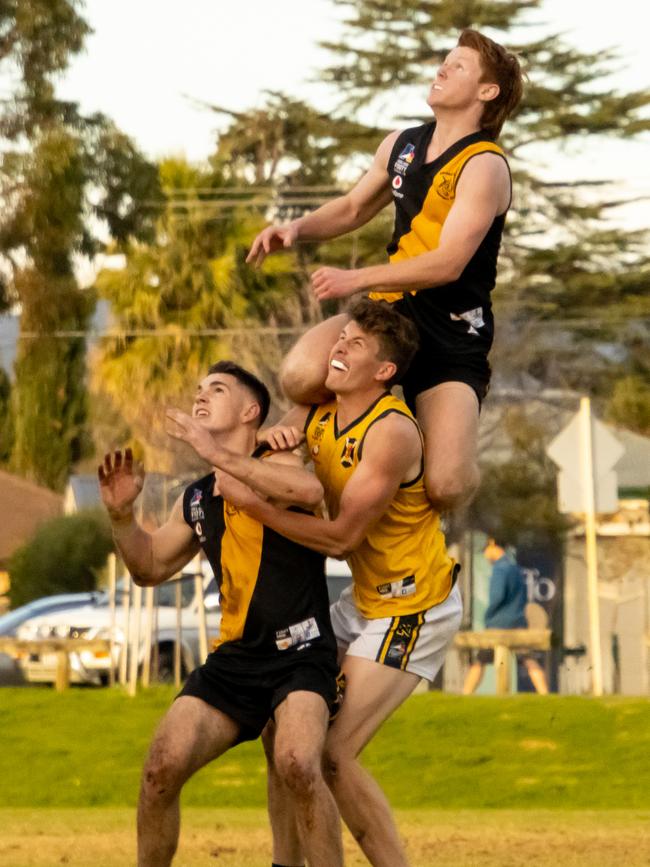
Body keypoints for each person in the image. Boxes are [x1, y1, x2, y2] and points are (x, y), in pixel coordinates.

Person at [219, 299, 463, 867]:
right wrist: (274, 453)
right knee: (284, 723)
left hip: (413, 605)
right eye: (342, 336)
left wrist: (255, 502)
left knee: (331, 754)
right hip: (364, 601)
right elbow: (266, 461)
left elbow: (340, 539)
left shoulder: (393, 432)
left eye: (356, 344)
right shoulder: (316, 412)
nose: (340, 347)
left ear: (384, 372)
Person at [247, 29, 524, 513]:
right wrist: (296, 229)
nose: (442, 69)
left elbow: (449, 263)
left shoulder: (484, 166)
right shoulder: (401, 144)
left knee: (447, 486)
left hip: (453, 329)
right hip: (392, 314)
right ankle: (362, 422)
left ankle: (409, 437)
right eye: (444, 60)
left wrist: (356, 279)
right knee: (298, 376)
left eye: (458, 66)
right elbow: (353, 207)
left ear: (487, 92)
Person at [98, 360, 344, 867]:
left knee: (297, 762)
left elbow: (308, 492)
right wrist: (122, 518)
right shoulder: (195, 498)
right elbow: (148, 567)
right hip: (235, 662)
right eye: (197, 389)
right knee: (159, 770)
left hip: (301, 653)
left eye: (217, 389)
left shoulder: (282, 460)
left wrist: (215, 453)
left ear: (251, 411)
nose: (200, 396)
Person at [462, 537, 548, 695]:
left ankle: (465, 694)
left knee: (480, 660)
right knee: (528, 659)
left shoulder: (499, 569)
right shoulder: (515, 568)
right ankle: (545, 693)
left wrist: (488, 616)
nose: (486, 555)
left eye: (486, 551)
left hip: (499, 624)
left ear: (493, 543)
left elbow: (497, 596)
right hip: (518, 622)